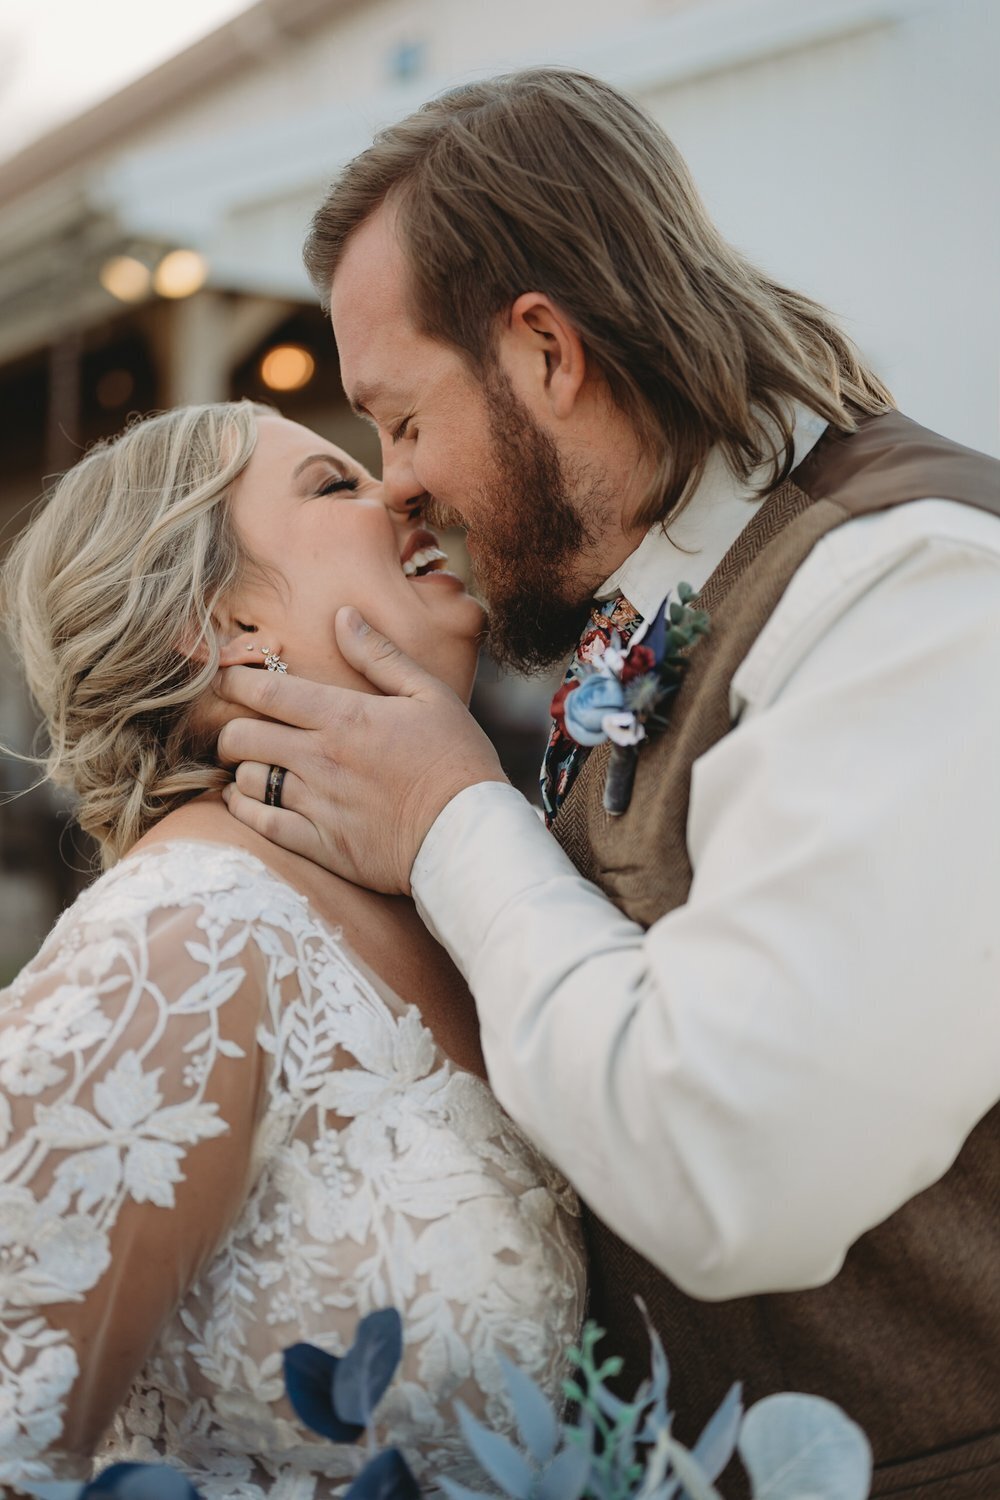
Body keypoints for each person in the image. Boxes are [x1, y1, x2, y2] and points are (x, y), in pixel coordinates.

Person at [216, 68, 1000, 1498]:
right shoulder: (658, 599)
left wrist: (452, 816)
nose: (392, 487)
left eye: (399, 420)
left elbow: (730, 1173)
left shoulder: (921, 595)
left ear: (544, 353)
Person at [0, 401, 585, 1496]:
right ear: (216, 626)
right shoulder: (186, 936)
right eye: (331, 485)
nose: (399, 493)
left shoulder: (455, 899)